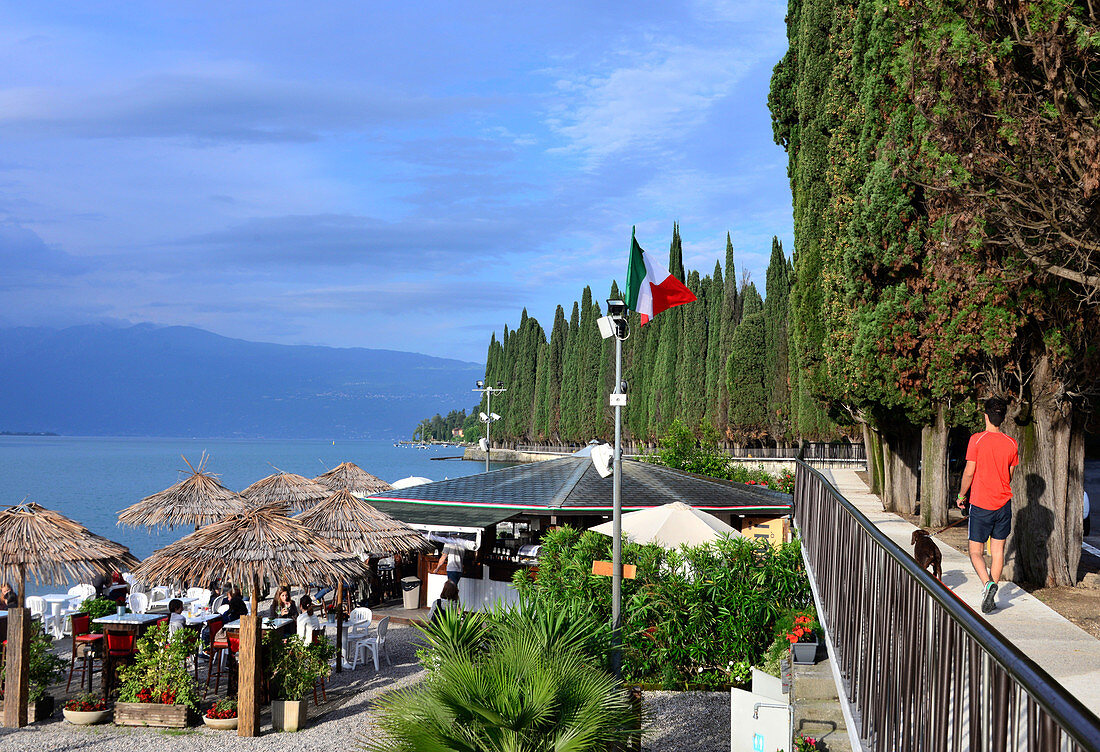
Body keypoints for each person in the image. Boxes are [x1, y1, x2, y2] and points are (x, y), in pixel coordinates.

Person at [957, 397, 1019, 614]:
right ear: (1002, 418)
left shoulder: (977, 440)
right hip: (1003, 503)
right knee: (998, 550)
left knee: (975, 551)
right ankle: (992, 591)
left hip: (981, 503)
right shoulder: (1012, 443)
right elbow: (1009, 475)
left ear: (985, 415)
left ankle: (987, 584)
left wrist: (961, 494)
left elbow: (969, 472)